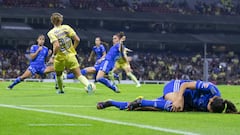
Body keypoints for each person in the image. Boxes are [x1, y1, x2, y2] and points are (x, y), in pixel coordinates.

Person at [97, 79, 239, 113]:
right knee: (176, 106)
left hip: (185, 101)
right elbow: (186, 85)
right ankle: (141, 102)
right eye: (207, 105)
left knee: (173, 108)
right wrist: (178, 98)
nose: (204, 106)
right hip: (177, 87)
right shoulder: (212, 90)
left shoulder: (212, 106)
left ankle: (111, 102)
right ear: (212, 99)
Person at [47, 12, 93, 94]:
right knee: (78, 74)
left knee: (59, 75)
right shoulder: (66, 28)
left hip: (59, 57)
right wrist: (73, 48)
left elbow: (56, 46)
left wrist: (53, 55)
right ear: (61, 20)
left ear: (52, 21)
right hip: (70, 55)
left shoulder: (51, 33)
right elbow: (77, 40)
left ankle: (61, 90)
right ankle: (88, 84)